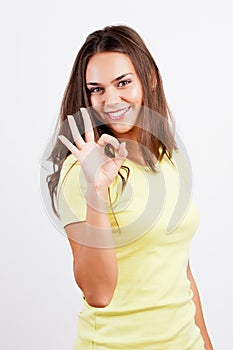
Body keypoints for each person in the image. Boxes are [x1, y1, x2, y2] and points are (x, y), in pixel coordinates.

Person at [45, 25, 213, 349]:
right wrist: (97, 190)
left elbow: (182, 271)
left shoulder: (168, 155)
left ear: (148, 77)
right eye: (97, 89)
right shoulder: (79, 171)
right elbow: (98, 293)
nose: (111, 100)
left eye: (123, 83)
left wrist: (206, 344)